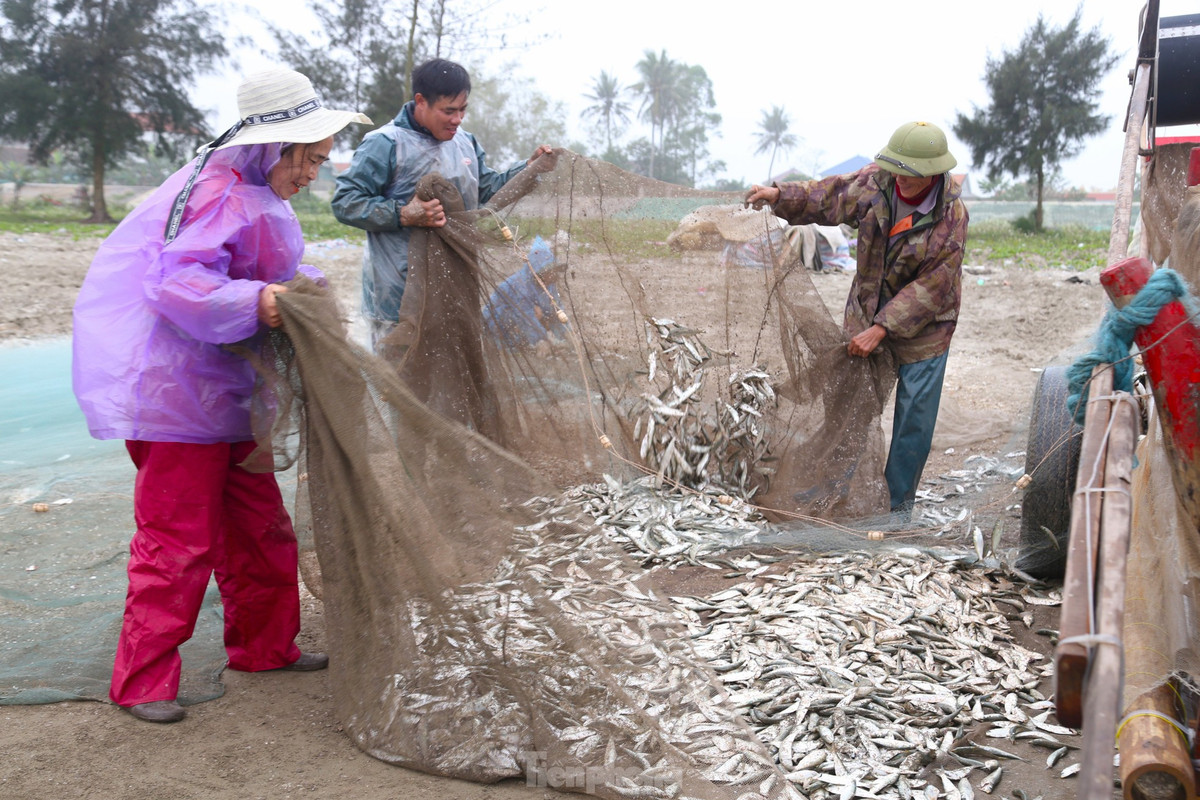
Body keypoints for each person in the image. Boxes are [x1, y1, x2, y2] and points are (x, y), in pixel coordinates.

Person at [71, 68, 370, 723]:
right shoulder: (214, 189)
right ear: (275, 146)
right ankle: (143, 681)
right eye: (310, 158)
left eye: (321, 159)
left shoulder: (260, 194)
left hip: (231, 398)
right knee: (176, 543)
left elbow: (270, 271)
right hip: (177, 401)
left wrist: (300, 286)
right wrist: (257, 300)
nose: (314, 172)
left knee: (261, 530)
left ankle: (265, 647)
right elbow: (176, 285)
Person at [745, 120, 968, 517]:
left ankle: (897, 508)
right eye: (897, 170)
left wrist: (882, 329)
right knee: (847, 406)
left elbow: (935, 285)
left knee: (913, 422)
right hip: (865, 312)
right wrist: (779, 195)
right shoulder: (876, 183)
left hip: (926, 330)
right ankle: (827, 487)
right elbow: (827, 196)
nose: (902, 179)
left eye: (912, 174)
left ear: (934, 172)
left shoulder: (951, 217)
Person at [331, 57, 554, 349]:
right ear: (420, 101)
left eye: (463, 110)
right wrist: (403, 214)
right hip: (397, 290)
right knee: (395, 378)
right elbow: (346, 201)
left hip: (453, 281)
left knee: (444, 372)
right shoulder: (385, 143)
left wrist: (528, 169)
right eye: (448, 111)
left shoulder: (466, 143)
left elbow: (488, 189)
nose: (457, 119)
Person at [483, 235, 569, 353]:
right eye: (550, 271)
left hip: (517, 325)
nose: (553, 275)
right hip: (494, 326)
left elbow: (556, 310)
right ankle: (508, 346)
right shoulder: (519, 285)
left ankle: (529, 342)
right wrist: (541, 341)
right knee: (535, 312)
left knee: (543, 312)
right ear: (538, 272)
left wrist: (567, 335)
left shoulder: (548, 285)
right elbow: (526, 317)